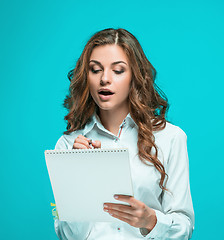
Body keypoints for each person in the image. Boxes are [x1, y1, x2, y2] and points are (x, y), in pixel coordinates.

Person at [53, 28, 194, 239]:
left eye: (118, 70)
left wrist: (151, 221)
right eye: (95, 69)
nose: (104, 79)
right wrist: (78, 172)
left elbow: (185, 226)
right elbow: (67, 236)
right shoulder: (67, 146)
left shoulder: (170, 138)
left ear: (134, 77)